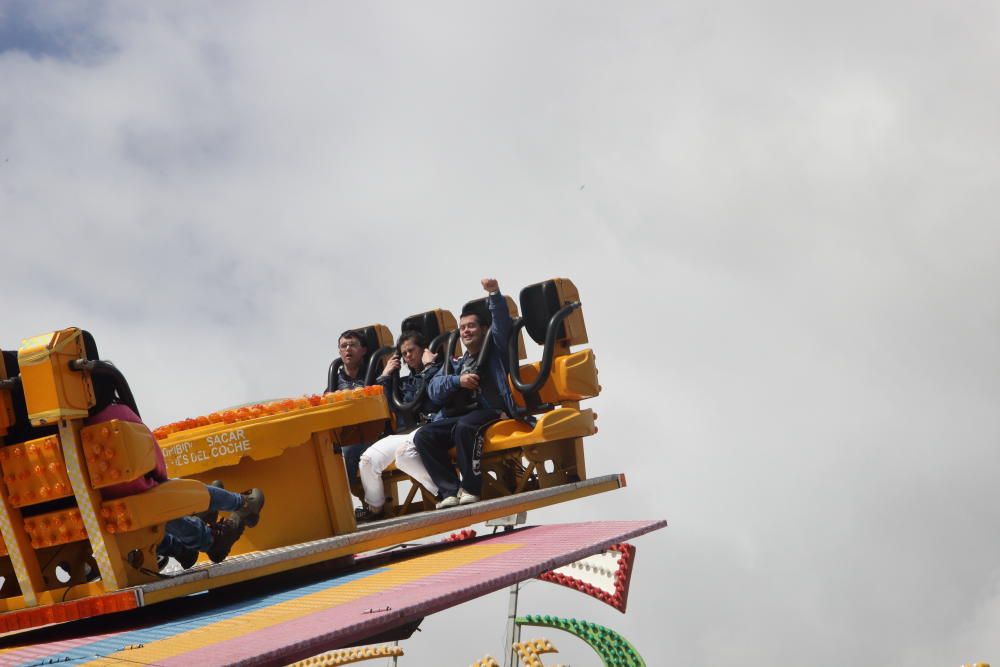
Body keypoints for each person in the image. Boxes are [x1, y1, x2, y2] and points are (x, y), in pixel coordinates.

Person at [86, 369, 264, 568]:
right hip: (144, 493)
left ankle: (181, 548)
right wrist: (160, 479)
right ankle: (240, 505)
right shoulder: (120, 414)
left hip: (104, 507)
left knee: (145, 517)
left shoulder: (79, 426)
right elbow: (154, 458)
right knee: (180, 493)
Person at [414, 278, 520, 508]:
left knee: (465, 428)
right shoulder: (457, 362)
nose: (466, 331)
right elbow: (435, 390)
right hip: (463, 414)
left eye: (471, 326)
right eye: (462, 328)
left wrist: (494, 294)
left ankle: (471, 487)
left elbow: (502, 324)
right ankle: (450, 491)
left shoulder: (497, 351)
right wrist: (457, 381)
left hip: (493, 411)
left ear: (483, 329)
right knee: (424, 436)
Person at [354, 331, 443, 521]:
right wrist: (386, 376)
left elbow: (434, 395)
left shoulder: (439, 369)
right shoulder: (405, 383)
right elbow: (391, 405)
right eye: (404, 354)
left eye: (412, 351)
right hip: (408, 432)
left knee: (404, 455)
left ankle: (443, 491)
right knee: (367, 460)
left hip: (432, 427)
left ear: (423, 350)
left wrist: (429, 367)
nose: (408, 356)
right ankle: (375, 507)